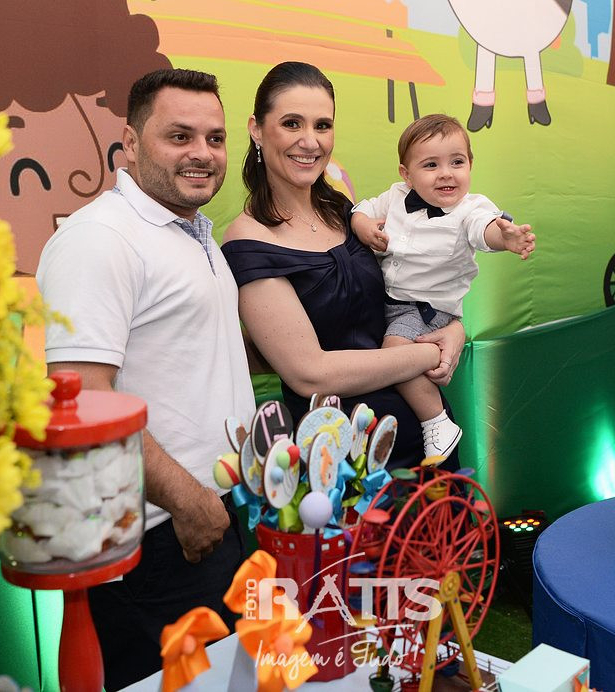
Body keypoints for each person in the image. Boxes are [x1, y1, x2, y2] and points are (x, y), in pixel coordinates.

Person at [35, 67, 255, 688]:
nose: (202, 153)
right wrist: (188, 502)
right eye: (179, 136)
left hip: (215, 518)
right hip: (161, 536)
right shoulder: (101, 238)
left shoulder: (191, 230)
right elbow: (83, 399)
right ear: (129, 143)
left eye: (214, 138)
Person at [221, 62, 466, 471]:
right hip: (343, 464)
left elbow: (408, 291)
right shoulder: (248, 242)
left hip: (429, 437)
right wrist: (430, 354)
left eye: (322, 125)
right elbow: (310, 373)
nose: (310, 141)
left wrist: (454, 328)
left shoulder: (346, 212)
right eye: (292, 123)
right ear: (257, 129)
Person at [350, 114, 535, 458]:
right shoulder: (396, 196)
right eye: (431, 165)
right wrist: (362, 225)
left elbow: (484, 229)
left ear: (470, 165)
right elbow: (363, 208)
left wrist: (504, 238)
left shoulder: (470, 209)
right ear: (406, 174)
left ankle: (436, 420)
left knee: (396, 353)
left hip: (426, 310)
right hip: (386, 300)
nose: (446, 173)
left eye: (457, 162)